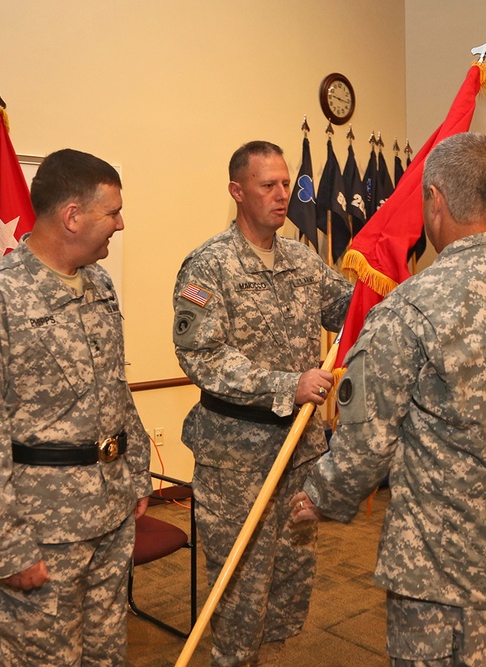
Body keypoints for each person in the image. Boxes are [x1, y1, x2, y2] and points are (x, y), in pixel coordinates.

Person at [291, 133, 486, 666]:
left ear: (433, 200)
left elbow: (366, 439)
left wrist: (323, 497)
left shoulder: (408, 309)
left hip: (455, 576)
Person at [0, 149, 152, 666]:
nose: (120, 224)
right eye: (113, 212)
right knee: (43, 659)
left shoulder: (99, 285)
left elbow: (112, 389)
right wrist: (4, 543)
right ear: (72, 216)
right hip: (41, 528)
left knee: (106, 653)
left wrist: (137, 470)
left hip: (111, 509)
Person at [172, 140, 352, 666]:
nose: (282, 194)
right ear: (237, 191)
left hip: (300, 452)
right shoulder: (209, 266)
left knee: (288, 584)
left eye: (286, 183)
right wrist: (285, 385)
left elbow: (345, 309)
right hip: (237, 459)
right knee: (240, 592)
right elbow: (200, 355)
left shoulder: (301, 257)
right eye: (267, 185)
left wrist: (377, 282)